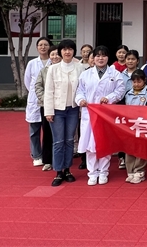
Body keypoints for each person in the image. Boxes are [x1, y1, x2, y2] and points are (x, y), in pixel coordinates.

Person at [75, 46, 125, 186]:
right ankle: (92, 173)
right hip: (89, 113)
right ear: (93, 58)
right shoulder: (86, 74)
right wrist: (81, 100)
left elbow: (120, 90)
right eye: (97, 56)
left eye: (103, 55)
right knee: (90, 144)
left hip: (106, 113)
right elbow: (80, 91)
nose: (100, 58)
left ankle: (103, 171)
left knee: (104, 143)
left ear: (108, 58)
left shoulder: (115, 74)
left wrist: (109, 98)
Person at [43, 39, 87, 187]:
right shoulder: (53, 69)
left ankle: (67, 170)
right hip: (57, 110)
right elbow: (48, 91)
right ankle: (58, 172)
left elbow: (83, 89)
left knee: (69, 140)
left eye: (70, 49)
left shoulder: (80, 68)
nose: (67, 52)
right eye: (64, 49)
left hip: (73, 109)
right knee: (58, 141)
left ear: (74, 51)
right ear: (60, 52)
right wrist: (48, 111)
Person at [24, 37, 52, 167]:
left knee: (48, 130)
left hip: (49, 100)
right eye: (40, 45)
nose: (43, 47)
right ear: (37, 47)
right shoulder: (32, 63)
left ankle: (48, 155)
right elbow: (27, 81)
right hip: (35, 100)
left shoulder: (54, 61)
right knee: (34, 130)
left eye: (45, 45)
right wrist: (36, 93)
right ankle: (36, 155)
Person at [35, 45, 61, 171]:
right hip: (46, 106)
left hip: (61, 106)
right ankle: (47, 160)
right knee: (47, 133)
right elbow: (38, 86)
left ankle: (60, 160)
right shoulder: (44, 70)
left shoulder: (65, 69)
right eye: (52, 54)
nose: (55, 57)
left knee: (61, 135)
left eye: (57, 54)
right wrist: (46, 100)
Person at [123, 70, 147, 184]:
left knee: (140, 148)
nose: (136, 84)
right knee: (129, 147)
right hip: (129, 125)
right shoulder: (128, 93)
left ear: (144, 81)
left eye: (139, 81)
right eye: (134, 82)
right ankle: (130, 171)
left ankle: (139, 171)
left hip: (142, 124)